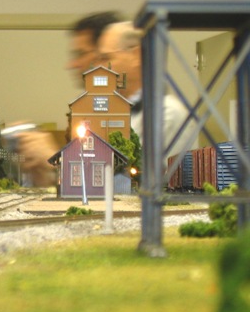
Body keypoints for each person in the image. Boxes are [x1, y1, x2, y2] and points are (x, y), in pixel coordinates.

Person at [12, 11, 123, 186]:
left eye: (80, 54)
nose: (71, 65)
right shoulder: (89, 112)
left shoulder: (155, 117)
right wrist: (43, 175)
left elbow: (117, 185)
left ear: (105, 56)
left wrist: (54, 160)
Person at [97, 21, 197, 158]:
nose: (99, 67)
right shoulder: (114, 109)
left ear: (136, 55)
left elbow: (139, 167)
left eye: (106, 58)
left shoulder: (167, 112)